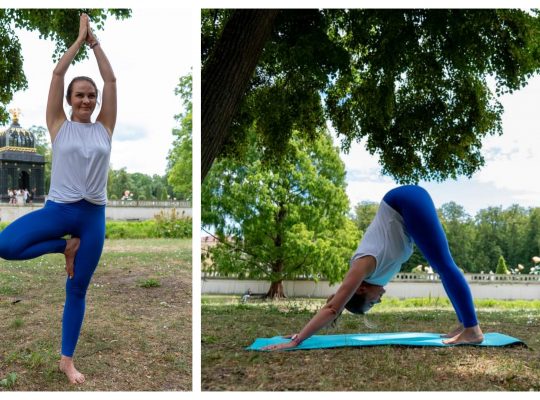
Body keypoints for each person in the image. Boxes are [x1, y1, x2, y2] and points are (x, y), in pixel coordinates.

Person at [0, 14, 116, 383]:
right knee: (6, 244)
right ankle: (63, 247)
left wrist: (96, 45)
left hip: (92, 217)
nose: (87, 99)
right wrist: (78, 43)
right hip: (59, 212)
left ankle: (67, 360)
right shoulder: (57, 125)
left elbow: (111, 79)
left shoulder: (105, 127)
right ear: (69, 100)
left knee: (77, 288)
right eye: (80, 94)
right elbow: (55, 75)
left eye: (91, 95)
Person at [262, 185, 484, 351]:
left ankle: (472, 330)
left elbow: (333, 308)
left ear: (361, 290)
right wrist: (303, 331)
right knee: (442, 267)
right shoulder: (372, 275)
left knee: (444, 265)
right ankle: (466, 325)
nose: (379, 301)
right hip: (406, 206)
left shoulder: (363, 266)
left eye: (372, 302)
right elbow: (334, 301)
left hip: (403, 201)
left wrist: (297, 340)